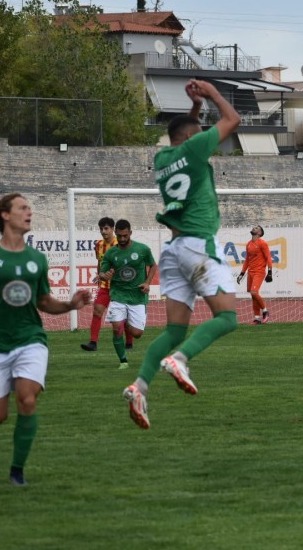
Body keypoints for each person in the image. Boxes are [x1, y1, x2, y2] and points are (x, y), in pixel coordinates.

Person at [122, 78, 241, 429]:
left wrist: (194, 110)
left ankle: (139, 386)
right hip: (197, 243)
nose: (209, 136)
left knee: (175, 329)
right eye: (202, 131)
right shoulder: (193, 149)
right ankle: (181, 360)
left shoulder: (163, 157)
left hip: (172, 250)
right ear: (192, 138)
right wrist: (212, 94)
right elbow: (233, 119)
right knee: (227, 318)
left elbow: (185, 133)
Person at [0, 193, 91, 486]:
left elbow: (44, 302)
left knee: (27, 398)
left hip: (31, 339)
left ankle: (17, 470)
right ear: (5, 215)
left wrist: (71, 305)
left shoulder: (37, 259)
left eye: (30, 208)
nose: (29, 212)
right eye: (23, 208)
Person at [99, 219, 156, 370]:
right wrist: (106, 276)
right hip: (118, 295)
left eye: (125, 235)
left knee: (137, 334)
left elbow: (153, 265)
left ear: (130, 233)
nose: (122, 239)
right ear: (116, 234)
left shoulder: (142, 249)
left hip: (137, 296)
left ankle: (126, 321)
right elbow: (102, 273)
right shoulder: (111, 253)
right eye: (120, 236)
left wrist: (147, 282)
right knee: (117, 328)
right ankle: (123, 361)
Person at [80, 217, 133, 352]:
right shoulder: (98, 245)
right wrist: (100, 275)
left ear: (112, 230)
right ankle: (93, 343)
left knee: (124, 316)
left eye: (106, 228)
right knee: (97, 310)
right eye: (101, 229)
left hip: (120, 286)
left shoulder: (120, 243)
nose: (103, 231)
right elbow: (100, 263)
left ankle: (129, 343)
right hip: (105, 286)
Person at [236, 224, 273, 325]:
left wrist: (270, 272)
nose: (254, 228)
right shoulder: (248, 244)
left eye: (257, 228)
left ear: (260, 233)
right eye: (254, 227)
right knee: (253, 296)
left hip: (259, 272)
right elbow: (247, 260)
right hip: (250, 273)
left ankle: (265, 311)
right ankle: (257, 318)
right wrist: (241, 274)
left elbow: (268, 258)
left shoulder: (262, 243)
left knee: (254, 292)